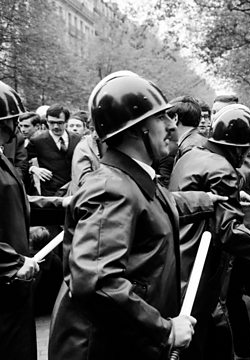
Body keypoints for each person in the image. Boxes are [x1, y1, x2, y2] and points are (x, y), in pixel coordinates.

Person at [48, 71, 227, 360]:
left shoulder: (129, 179)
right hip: (104, 349)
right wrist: (164, 329)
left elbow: (158, 205)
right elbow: (97, 282)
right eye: (161, 118)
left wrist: (207, 199)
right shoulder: (111, 188)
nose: (172, 126)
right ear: (135, 130)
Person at [169, 104, 250, 360]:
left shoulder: (192, 154)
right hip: (200, 265)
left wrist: (232, 198)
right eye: (248, 148)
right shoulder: (222, 169)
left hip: (178, 259)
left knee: (207, 332)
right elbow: (228, 232)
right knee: (204, 336)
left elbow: (198, 195)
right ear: (239, 148)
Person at [0, 80, 41, 360]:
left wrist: (63, 204)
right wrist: (11, 262)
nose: (16, 127)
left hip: (12, 290)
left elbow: (15, 199)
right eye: (12, 120)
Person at [26, 104, 81, 196]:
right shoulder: (37, 141)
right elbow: (21, 161)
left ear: (66, 121)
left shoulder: (78, 139)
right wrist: (33, 169)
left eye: (59, 123)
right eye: (51, 123)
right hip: (51, 194)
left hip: (75, 192)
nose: (55, 126)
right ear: (46, 122)